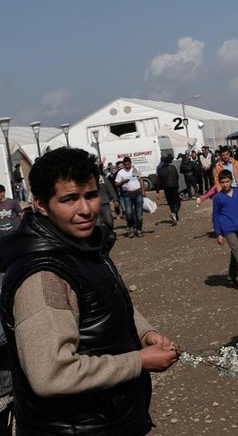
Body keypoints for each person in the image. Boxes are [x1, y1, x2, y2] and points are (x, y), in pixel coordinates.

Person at [0, 147, 178, 434]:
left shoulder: (80, 246)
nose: (85, 210)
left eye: (91, 195)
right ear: (41, 205)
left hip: (106, 420)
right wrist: (138, 361)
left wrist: (144, 332)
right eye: (69, 199)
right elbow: (51, 374)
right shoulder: (44, 274)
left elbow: (105, 302)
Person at [115, 156, 145, 237]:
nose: (127, 166)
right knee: (129, 213)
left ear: (131, 163)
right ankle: (131, 229)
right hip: (127, 194)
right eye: (125, 164)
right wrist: (122, 182)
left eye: (128, 164)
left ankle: (139, 230)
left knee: (139, 214)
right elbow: (116, 183)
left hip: (138, 193)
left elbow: (141, 179)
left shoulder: (135, 169)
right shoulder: (120, 172)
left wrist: (143, 191)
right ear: (123, 164)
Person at [158, 155, 181, 224]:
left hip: (166, 188)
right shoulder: (173, 168)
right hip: (174, 187)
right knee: (177, 202)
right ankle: (174, 213)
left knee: (171, 203)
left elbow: (159, 181)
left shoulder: (160, 170)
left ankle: (175, 218)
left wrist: (157, 191)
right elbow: (177, 176)